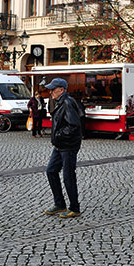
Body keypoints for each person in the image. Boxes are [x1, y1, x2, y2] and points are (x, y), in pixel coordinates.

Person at [43, 78, 83, 219]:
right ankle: (59, 204)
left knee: (68, 177)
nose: (50, 92)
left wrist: (58, 135)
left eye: (53, 89)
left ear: (61, 89)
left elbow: (73, 125)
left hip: (68, 145)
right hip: (60, 145)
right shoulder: (58, 102)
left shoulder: (67, 102)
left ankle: (74, 208)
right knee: (51, 171)